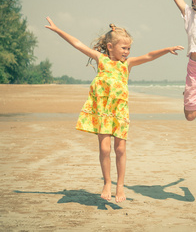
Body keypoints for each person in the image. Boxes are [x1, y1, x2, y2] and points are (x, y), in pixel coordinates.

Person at [45, 17, 184, 203]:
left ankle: (120, 185)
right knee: (104, 149)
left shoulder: (127, 64)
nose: (127, 52)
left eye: (128, 49)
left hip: (119, 112)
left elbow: (149, 56)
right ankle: (107, 182)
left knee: (120, 149)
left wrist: (166, 50)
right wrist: (58, 30)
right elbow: (77, 43)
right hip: (102, 111)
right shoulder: (101, 59)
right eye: (123, 48)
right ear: (110, 47)